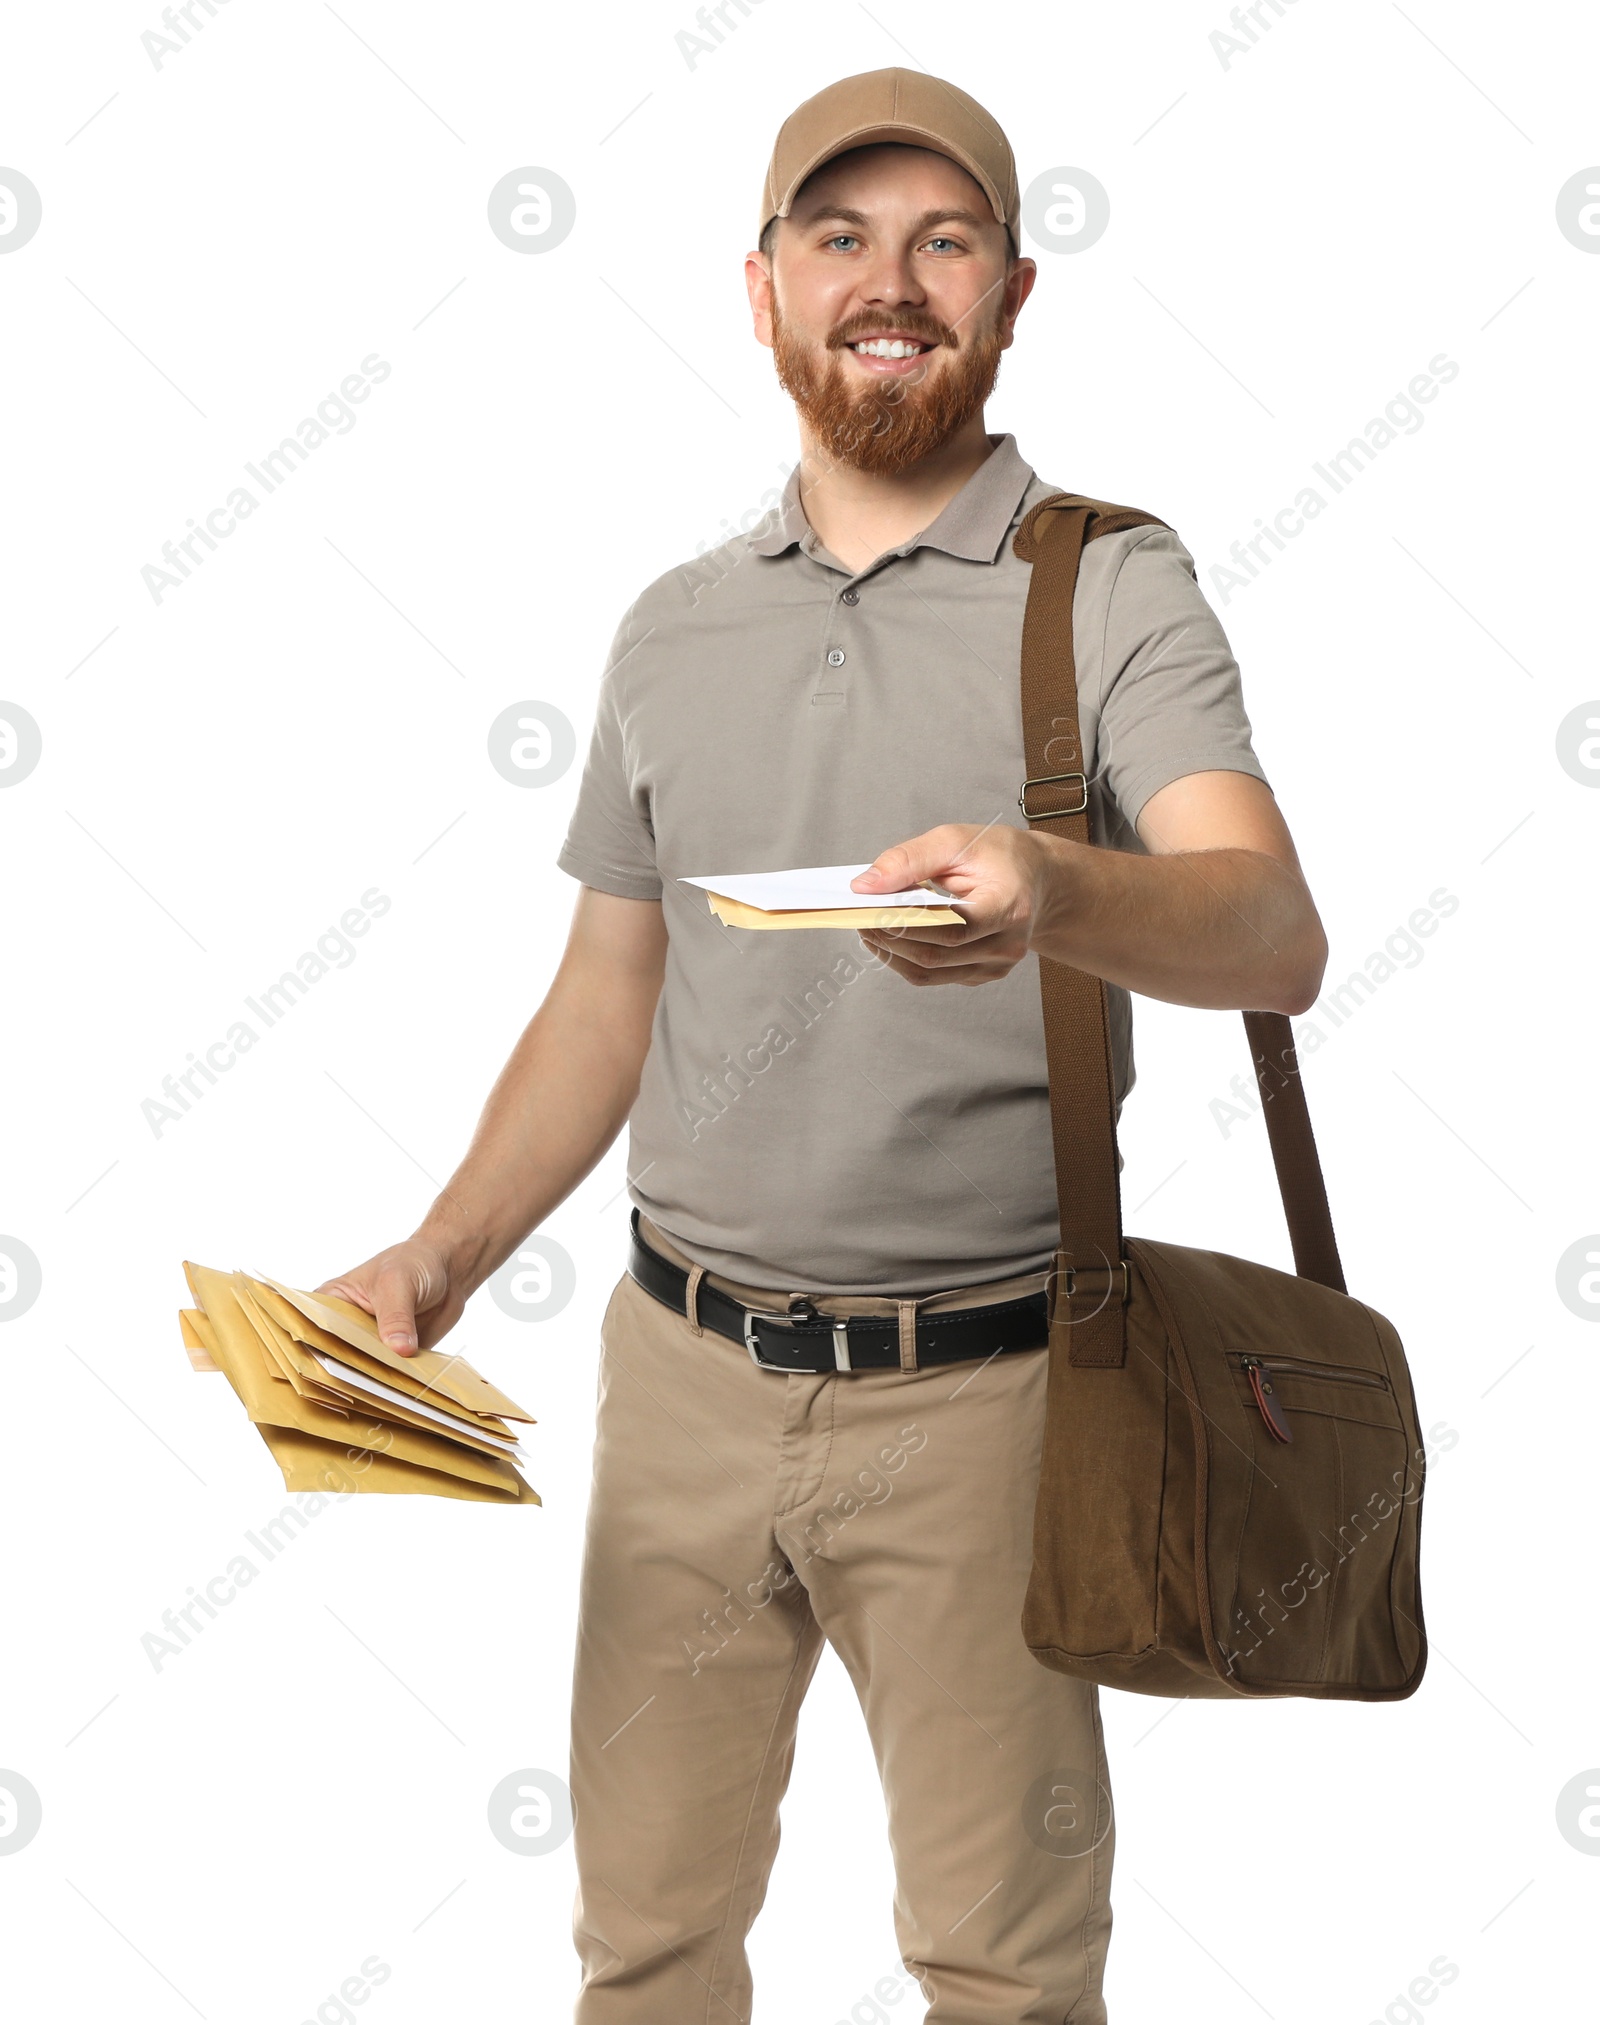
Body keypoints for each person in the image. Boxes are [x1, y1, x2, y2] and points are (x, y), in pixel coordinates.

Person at [319, 67, 1327, 2025]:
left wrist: (1059, 886)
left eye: (941, 238)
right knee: (645, 1949)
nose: (889, 278)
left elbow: (1269, 932)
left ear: (1011, 291)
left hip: (991, 1401)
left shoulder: (1106, 586)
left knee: (1005, 1973)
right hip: (679, 1379)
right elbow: (610, 991)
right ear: (761, 289)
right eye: (837, 236)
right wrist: (434, 1259)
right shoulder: (669, 629)